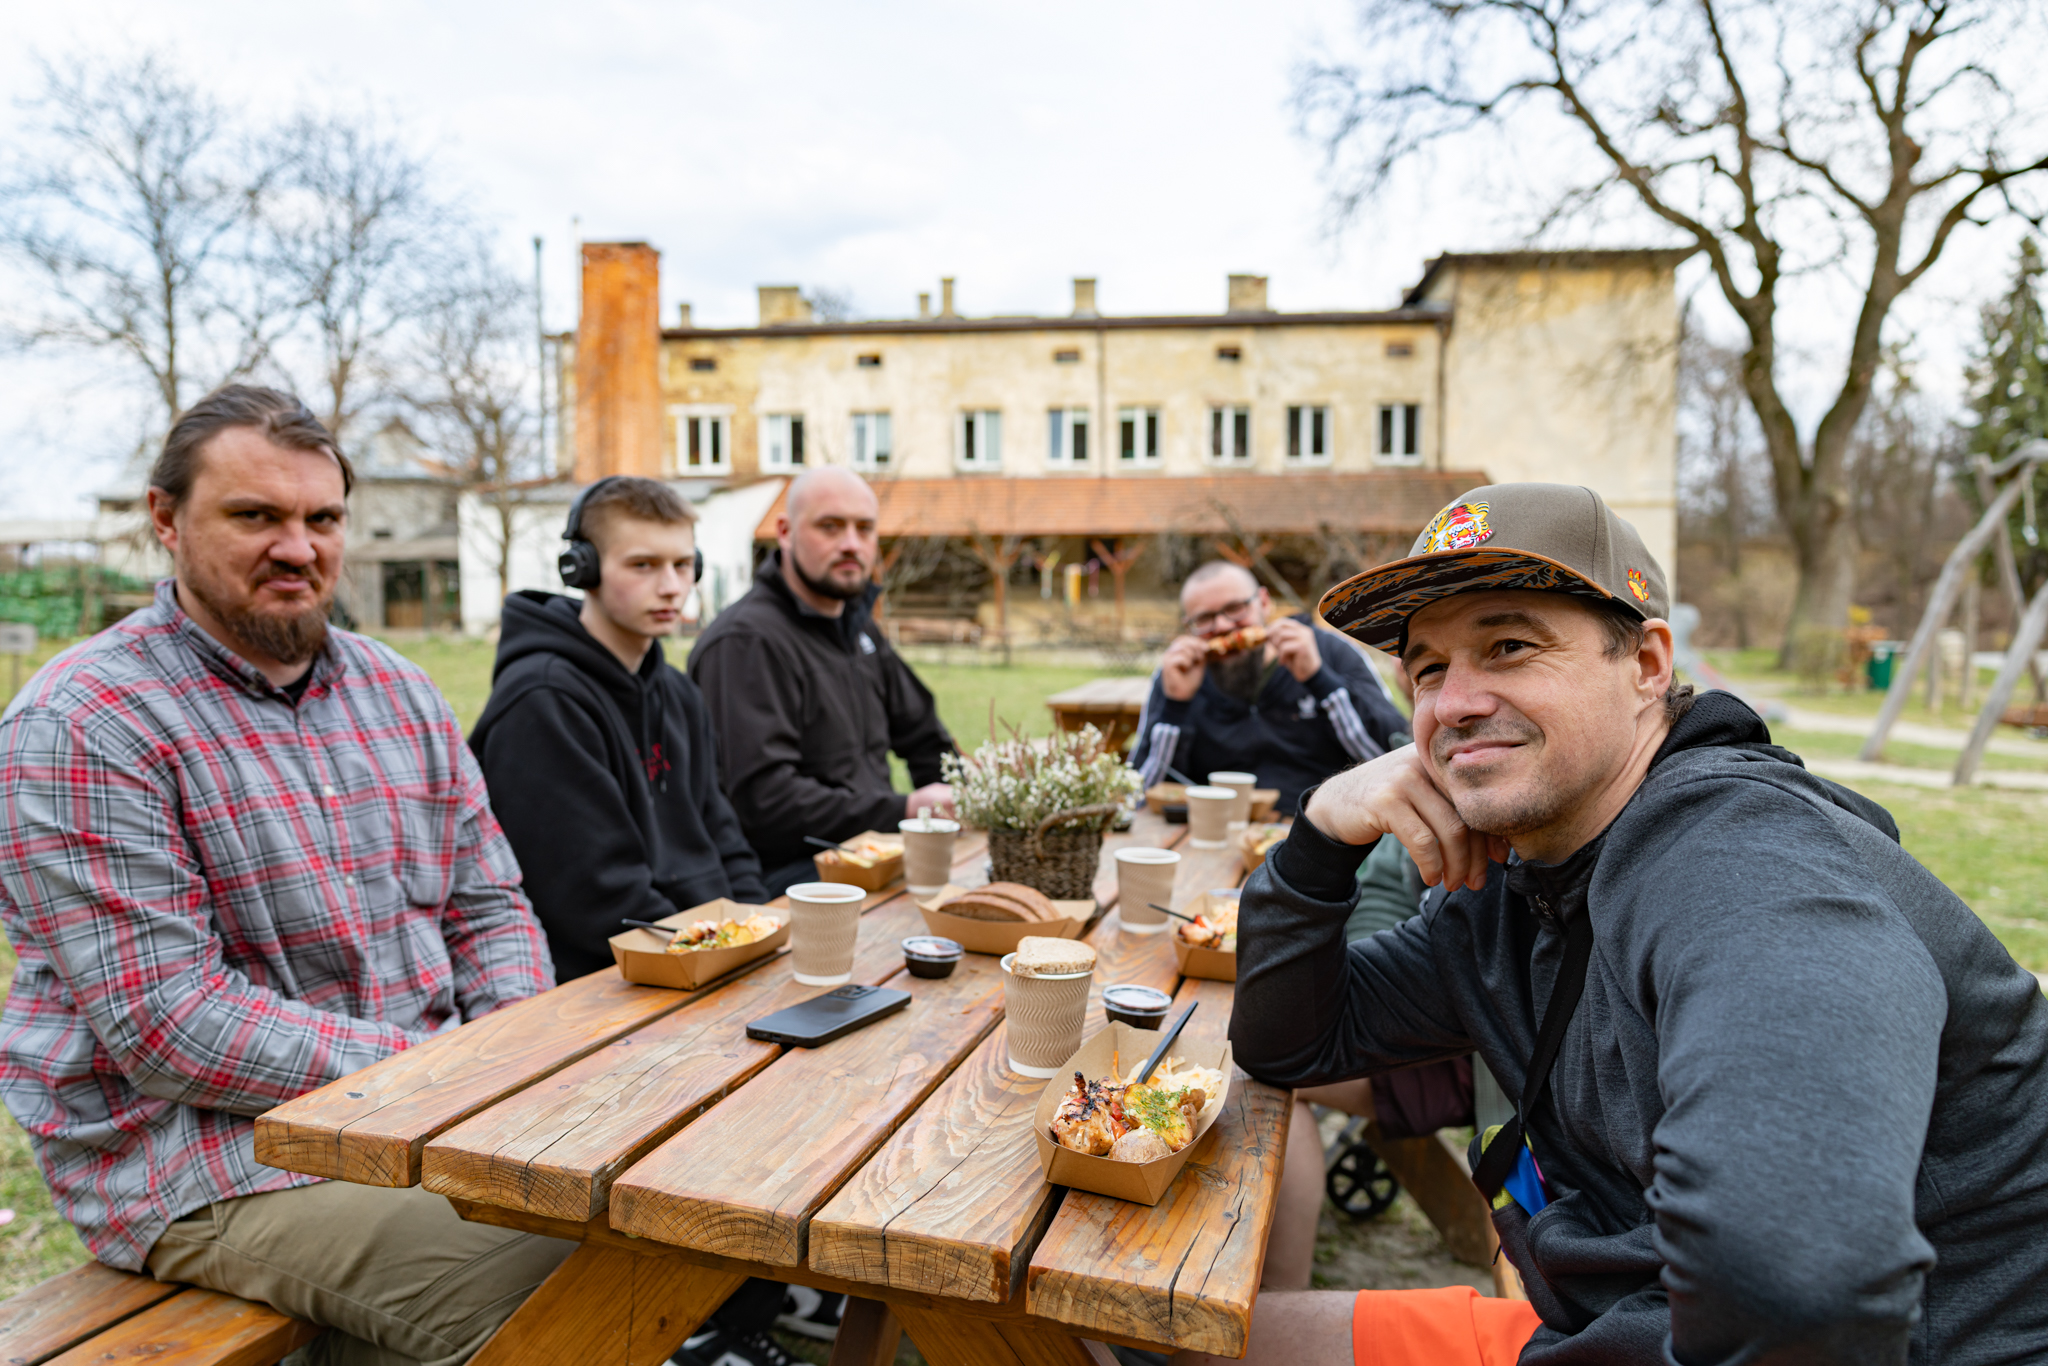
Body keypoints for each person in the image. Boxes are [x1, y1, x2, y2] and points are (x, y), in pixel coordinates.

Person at [1217, 483, 2048, 1365]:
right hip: (1612, 1315)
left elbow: (1800, 1291)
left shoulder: (1742, 864)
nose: (1453, 704)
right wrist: (1317, 840)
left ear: (1648, 664)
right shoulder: (1515, 881)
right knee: (1193, 1343)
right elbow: (1290, 1044)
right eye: (1428, 669)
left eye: (1508, 645)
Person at [0, 386, 573, 1366]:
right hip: (199, 1157)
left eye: (321, 518)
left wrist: (507, 1065)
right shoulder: (86, 722)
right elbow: (171, 1024)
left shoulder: (398, 688)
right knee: (556, 1272)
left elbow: (489, 904)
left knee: (652, 1200)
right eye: (255, 515)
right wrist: (441, 1083)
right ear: (166, 520)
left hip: (426, 1108)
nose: (298, 547)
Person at [470, 476, 767, 982]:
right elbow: (595, 896)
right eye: (643, 565)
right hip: (611, 985)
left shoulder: (676, 691)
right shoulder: (542, 703)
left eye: (683, 564)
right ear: (582, 569)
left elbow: (722, 831)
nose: (672, 586)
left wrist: (762, 928)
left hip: (708, 958)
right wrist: (729, 951)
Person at [690, 467, 956, 896]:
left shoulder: (857, 627)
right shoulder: (746, 643)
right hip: (791, 880)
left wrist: (963, 797)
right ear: (785, 531)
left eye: (864, 528)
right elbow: (764, 803)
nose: (851, 544)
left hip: (873, 860)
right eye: (830, 527)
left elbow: (926, 737)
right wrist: (903, 809)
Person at [1129, 561, 1407, 813]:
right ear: (1188, 627)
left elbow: (1394, 762)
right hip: (1212, 833)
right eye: (1204, 619)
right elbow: (1136, 795)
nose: (1223, 625)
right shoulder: (1177, 673)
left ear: (1263, 603)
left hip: (1327, 834)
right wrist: (1175, 707)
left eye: (1235, 608)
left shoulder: (1330, 652)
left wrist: (1319, 679)